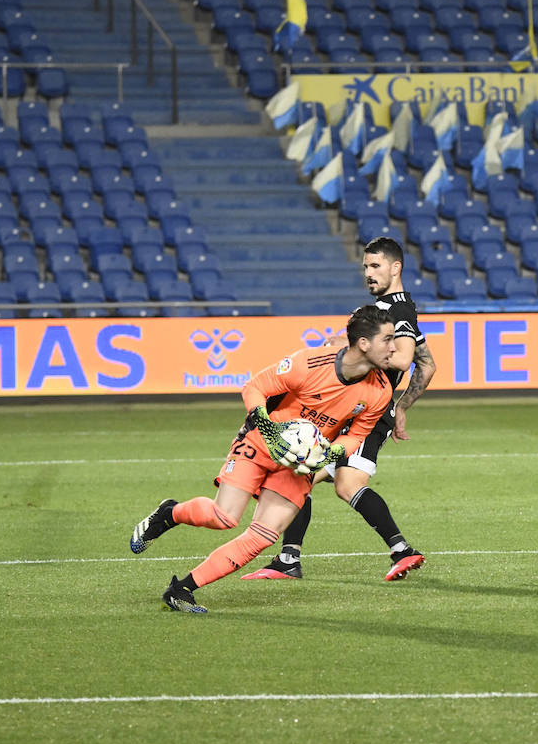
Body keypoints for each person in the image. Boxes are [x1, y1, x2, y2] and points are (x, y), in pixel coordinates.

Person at [128, 305, 397, 613]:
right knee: (223, 517)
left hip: (300, 465)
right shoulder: (308, 362)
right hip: (261, 442)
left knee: (263, 535)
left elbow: (355, 436)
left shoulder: (380, 390)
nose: (394, 347)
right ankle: (169, 513)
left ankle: (182, 589)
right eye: (388, 339)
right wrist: (269, 431)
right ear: (364, 343)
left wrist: (329, 453)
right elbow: (255, 387)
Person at [244, 235, 437, 582]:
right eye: (365, 266)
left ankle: (396, 550)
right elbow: (428, 365)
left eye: (376, 266)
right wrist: (403, 406)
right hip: (367, 409)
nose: (368, 273)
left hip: (365, 410)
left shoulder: (395, 310)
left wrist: (348, 352)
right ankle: (294, 557)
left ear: (396, 268)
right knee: (309, 474)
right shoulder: (396, 309)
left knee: (327, 478)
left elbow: (407, 358)